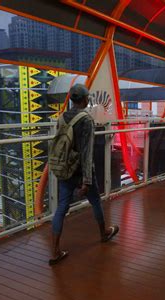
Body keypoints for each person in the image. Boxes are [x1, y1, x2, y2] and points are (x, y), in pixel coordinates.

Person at [49, 84, 119, 265]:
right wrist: (87, 181)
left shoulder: (62, 117)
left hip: (65, 169)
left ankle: (55, 251)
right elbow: (87, 153)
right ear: (85, 99)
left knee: (62, 207)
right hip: (81, 171)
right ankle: (103, 234)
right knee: (96, 201)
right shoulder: (86, 120)